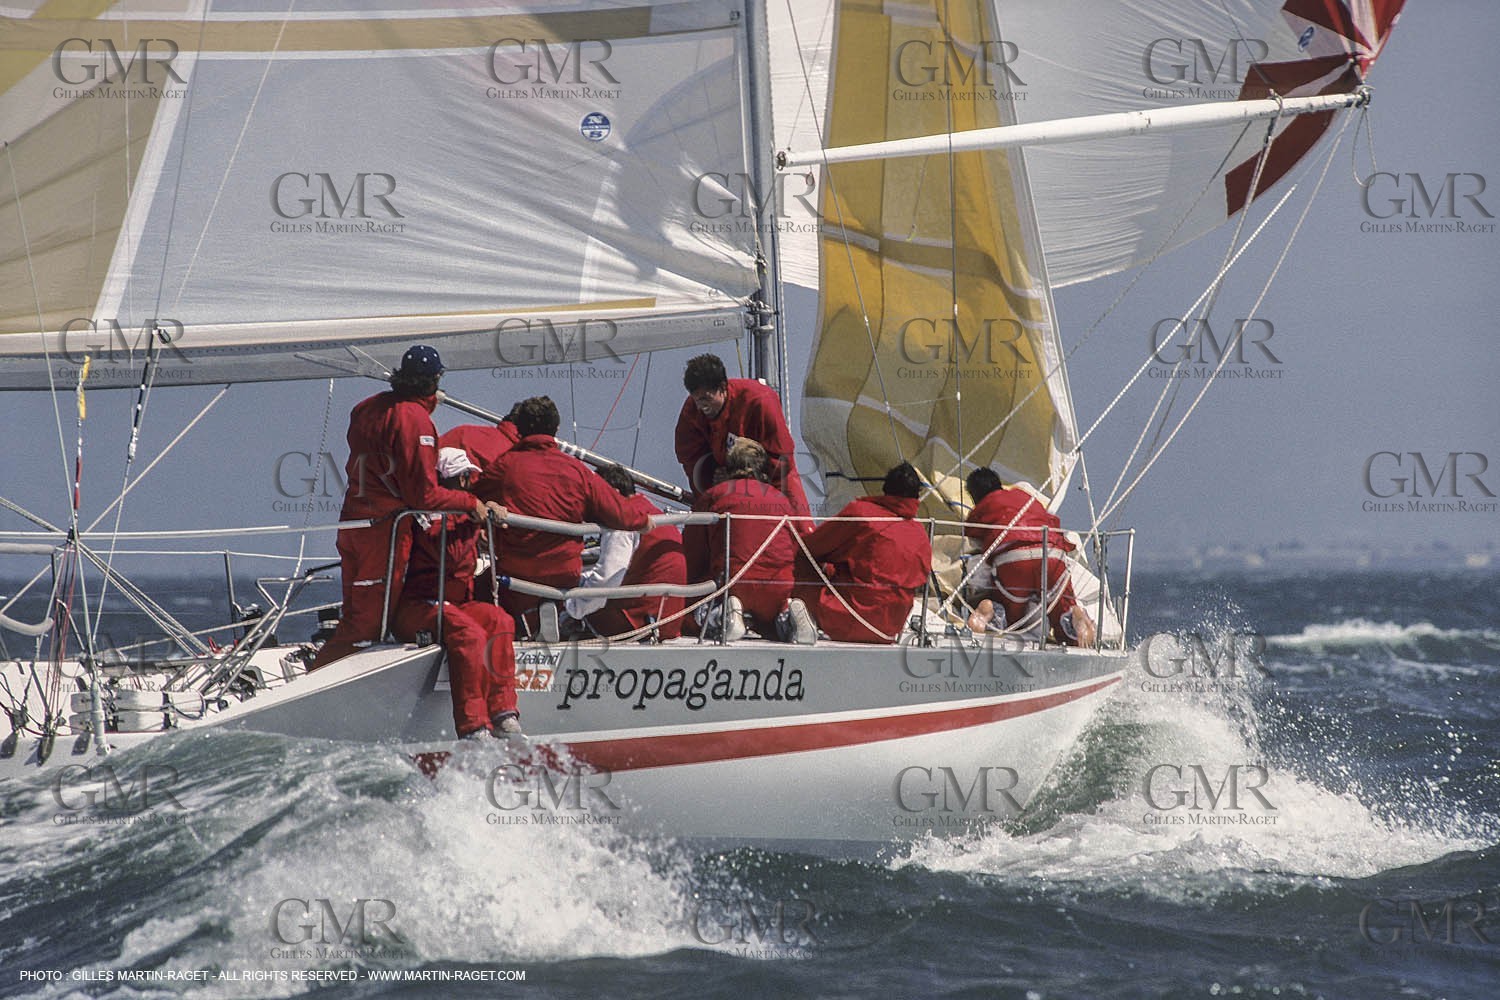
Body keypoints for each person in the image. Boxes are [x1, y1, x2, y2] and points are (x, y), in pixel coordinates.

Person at [311, 345, 487, 670]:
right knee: (366, 626)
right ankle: (312, 690)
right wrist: (470, 502)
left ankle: (325, 678)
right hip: (383, 534)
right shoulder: (414, 420)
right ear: (434, 381)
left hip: (352, 525)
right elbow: (424, 496)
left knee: (357, 614)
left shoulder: (365, 408)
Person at [479, 396, 650, 633]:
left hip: (518, 573)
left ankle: (522, 624)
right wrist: (644, 519)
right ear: (556, 429)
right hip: (563, 574)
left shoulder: (504, 467)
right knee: (565, 580)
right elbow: (618, 512)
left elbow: (473, 498)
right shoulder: (576, 470)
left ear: (518, 429)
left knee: (480, 585)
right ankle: (549, 616)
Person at [391, 448, 521, 738]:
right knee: (468, 634)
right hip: (417, 606)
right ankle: (473, 725)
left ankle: (503, 711)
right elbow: (449, 553)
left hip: (456, 603)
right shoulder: (426, 514)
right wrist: (473, 518)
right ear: (450, 479)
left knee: (500, 621)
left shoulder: (462, 513)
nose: (468, 483)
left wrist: (490, 517)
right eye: (464, 477)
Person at [682, 437, 816, 644]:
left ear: (729, 467)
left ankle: (726, 616)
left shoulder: (714, 496)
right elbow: (793, 548)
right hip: (777, 587)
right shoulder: (781, 501)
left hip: (733, 583)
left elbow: (693, 552)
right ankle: (787, 615)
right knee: (769, 624)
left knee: (690, 615)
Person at [793, 462, 931, 643]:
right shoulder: (920, 532)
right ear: (916, 495)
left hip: (850, 618)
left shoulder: (863, 514)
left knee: (796, 560)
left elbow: (811, 548)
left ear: (886, 488)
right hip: (890, 628)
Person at [674, 353, 812, 530]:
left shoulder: (759, 401)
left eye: (706, 398)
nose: (702, 407)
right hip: (725, 488)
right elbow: (692, 460)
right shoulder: (692, 411)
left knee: (801, 536)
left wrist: (742, 479)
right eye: (697, 399)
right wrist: (712, 485)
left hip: (777, 481)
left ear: (723, 388)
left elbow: (781, 461)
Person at [963, 467, 1095, 647]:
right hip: (1052, 554)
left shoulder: (981, 509)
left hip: (1014, 560)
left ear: (974, 496)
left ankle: (990, 610)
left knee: (1012, 620)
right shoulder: (1024, 497)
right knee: (1061, 609)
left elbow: (971, 534)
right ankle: (1074, 615)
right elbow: (1052, 521)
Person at [562, 465, 688, 641]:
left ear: (612, 493)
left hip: (634, 623)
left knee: (560, 596)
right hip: (668, 622)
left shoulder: (623, 522)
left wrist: (572, 607)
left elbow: (608, 577)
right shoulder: (656, 515)